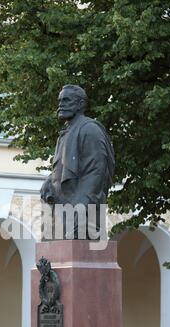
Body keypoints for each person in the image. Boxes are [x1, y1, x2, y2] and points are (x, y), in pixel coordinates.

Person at [40, 84, 115, 240]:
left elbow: (97, 172)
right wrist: (50, 181)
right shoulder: (66, 133)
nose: (61, 104)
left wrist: (81, 206)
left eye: (66, 100)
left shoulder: (90, 129)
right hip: (63, 205)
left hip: (80, 208)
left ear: (81, 104)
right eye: (60, 100)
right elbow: (63, 166)